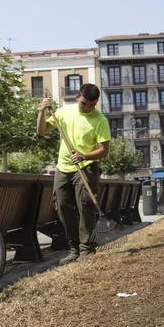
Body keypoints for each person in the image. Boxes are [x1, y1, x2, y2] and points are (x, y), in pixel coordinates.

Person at [36, 84, 111, 264]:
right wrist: (41, 111)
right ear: (78, 97)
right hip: (63, 168)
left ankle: (86, 248)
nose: (88, 108)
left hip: (86, 167)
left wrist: (84, 155)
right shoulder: (64, 112)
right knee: (62, 206)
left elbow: (104, 150)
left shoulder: (99, 120)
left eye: (92, 105)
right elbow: (41, 131)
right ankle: (74, 248)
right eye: (85, 103)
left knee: (85, 205)